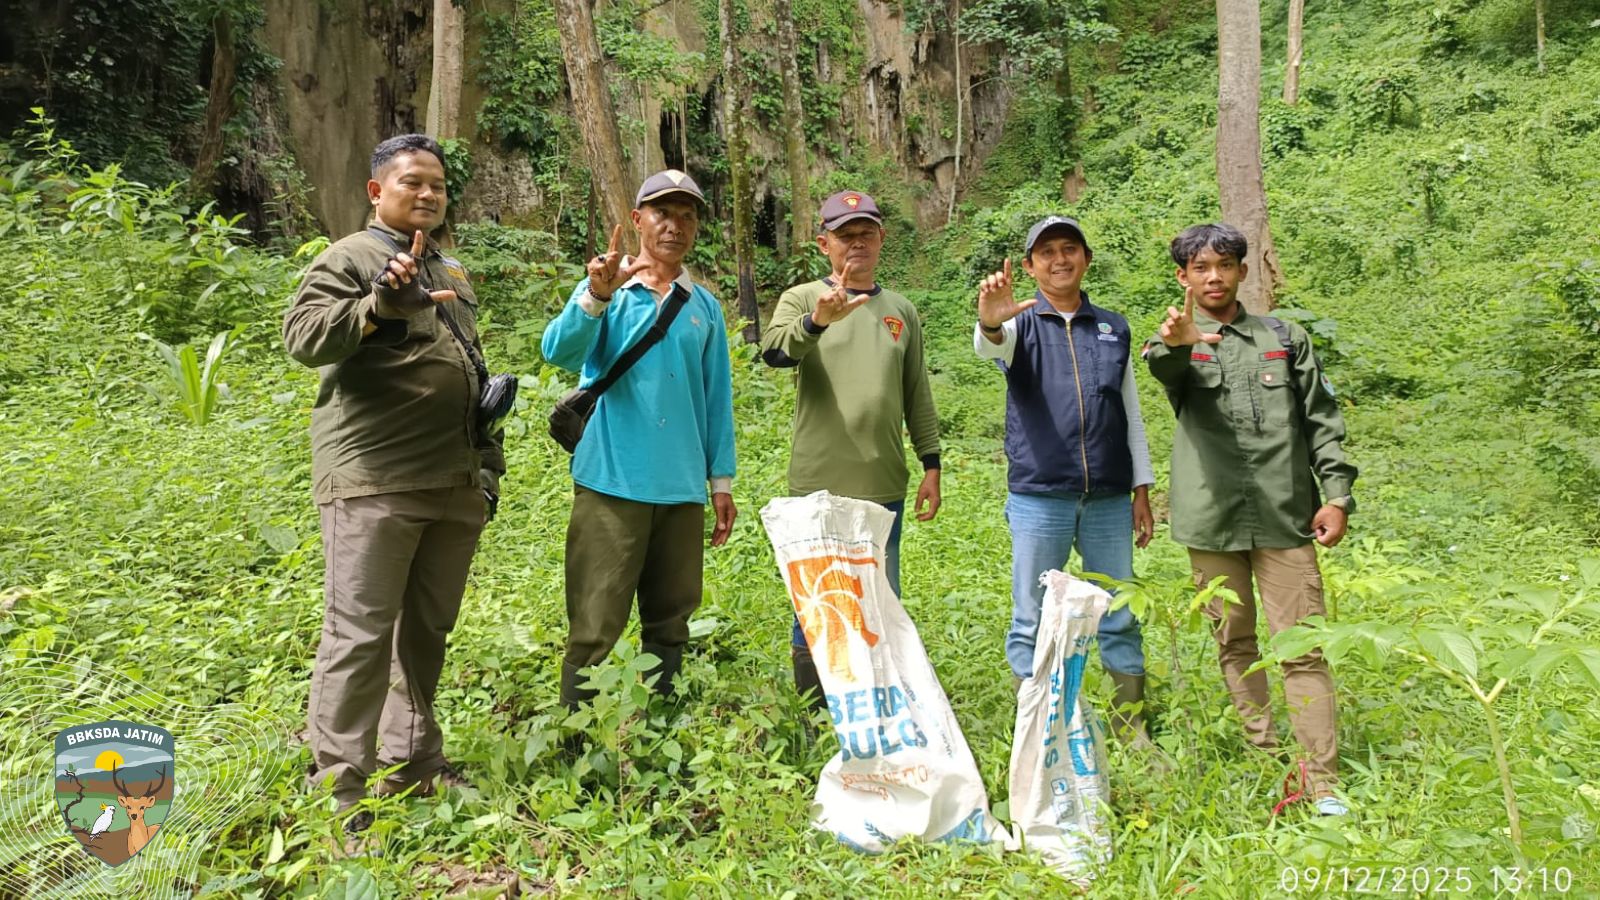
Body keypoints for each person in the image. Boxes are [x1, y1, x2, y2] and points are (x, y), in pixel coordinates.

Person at [283, 133, 504, 832]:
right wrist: (377, 306)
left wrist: (486, 468)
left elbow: (471, 365)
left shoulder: (449, 267)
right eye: (412, 182)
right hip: (374, 478)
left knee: (426, 631)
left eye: (437, 183)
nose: (428, 193)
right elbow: (304, 338)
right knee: (360, 635)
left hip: (452, 477)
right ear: (377, 191)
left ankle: (413, 760)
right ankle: (339, 791)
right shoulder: (349, 257)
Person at [1144, 222, 1357, 816]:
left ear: (1242, 271)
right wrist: (1182, 343)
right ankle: (1266, 754)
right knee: (1235, 641)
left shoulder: (1284, 338)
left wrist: (1336, 496)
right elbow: (1165, 368)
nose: (1214, 278)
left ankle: (1322, 781)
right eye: (1200, 269)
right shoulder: (1173, 340)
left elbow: (1322, 420)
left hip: (1285, 516)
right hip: (1212, 522)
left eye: (1225, 266)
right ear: (1184, 277)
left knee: (1303, 646)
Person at [541, 170, 737, 710]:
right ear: (637, 220)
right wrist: (595, 297)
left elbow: (716, 398)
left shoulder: (704, 307)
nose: (675, 226)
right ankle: (577, 733)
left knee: (672, 617)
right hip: (612, 481)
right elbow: (557, 351)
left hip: (681, 487)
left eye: (687, 216)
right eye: (662, 214)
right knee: (595, 619)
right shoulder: (609, 290)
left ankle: (660, 718)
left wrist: (720, 482)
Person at [972, 215, 1156, 745]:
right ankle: (1035, 730)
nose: (1059, 259)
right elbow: (990, 345)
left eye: (1069, 249)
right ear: (1030, 266)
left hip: (1109, 498)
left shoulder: (1113, 328)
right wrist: (990, 322)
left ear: (1086, 259)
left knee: (1119, 611)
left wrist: (1142, 489)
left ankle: (1130, 728)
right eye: (1046, 252)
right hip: (1039, 496)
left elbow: (1130, 412)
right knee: (1032, 617)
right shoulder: (1018, 324)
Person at [760, 190, 942, 711]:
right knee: (816, 602)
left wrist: (931, 463)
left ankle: (874, 705)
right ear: (825, 244)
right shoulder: (803, 298)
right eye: (845, 235)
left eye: (866, 233)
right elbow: (774, 353)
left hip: (883, 482)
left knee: (880, 601)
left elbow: (917, 393)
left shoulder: (901, 311)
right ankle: (815, 711)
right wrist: (817, 321)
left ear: (881, 239)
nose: (856, 243)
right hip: (817, 483)